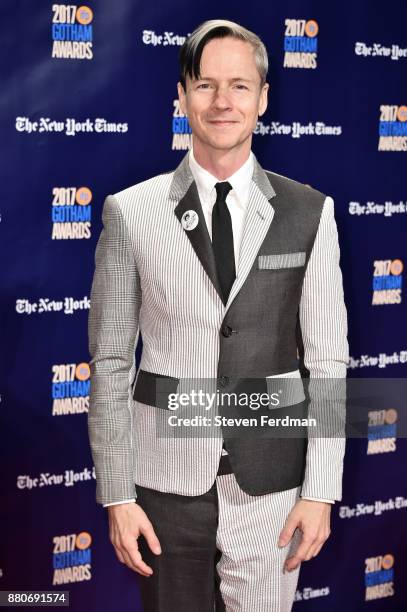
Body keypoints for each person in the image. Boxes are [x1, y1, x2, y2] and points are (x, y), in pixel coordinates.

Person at [87, 18, 349, 612]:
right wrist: (116, 494)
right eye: (205, 85)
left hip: (274, 489)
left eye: (239, 86)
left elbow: (329, 361)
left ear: (262, 100)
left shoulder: (311, 212)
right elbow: (108, 360)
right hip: (164, 487)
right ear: (181, 97)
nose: (223, 101)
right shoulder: (131, 212)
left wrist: (322, 491)